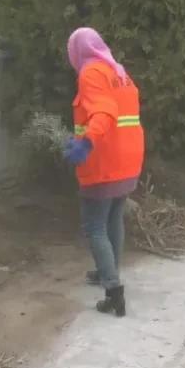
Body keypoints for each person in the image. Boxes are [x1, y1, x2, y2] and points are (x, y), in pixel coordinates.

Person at [62, 27, 144, 318]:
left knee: (94, 226)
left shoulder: (91, 73)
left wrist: (85, 142)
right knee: (113, 219)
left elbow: (104, 113)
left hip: (104, 161)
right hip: (128, 160)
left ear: (77, 51)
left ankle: (113, 292)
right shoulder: (119, 72)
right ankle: (107, 270)